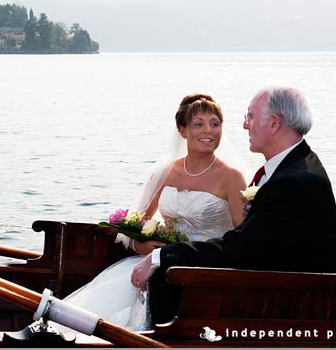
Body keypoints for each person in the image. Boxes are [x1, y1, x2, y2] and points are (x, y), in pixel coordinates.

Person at [131, 86, 336, 324]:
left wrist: (162, 256)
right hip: (268, 279)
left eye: (250, 117)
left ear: (273, 124)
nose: (244, 125)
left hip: (290, 301)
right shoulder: (292, 167)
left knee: (164, 278)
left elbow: (241, 247)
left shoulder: (294, 180)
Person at [55, 93, 248, 331]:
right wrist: (144, 248)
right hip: (159, 261)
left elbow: (243, 238)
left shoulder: (232, 177)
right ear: (182, 130)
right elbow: (137, 224)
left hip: (206, 267)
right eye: (198, 124)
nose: (208, 131)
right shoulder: (166, 172)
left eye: (215, 124)